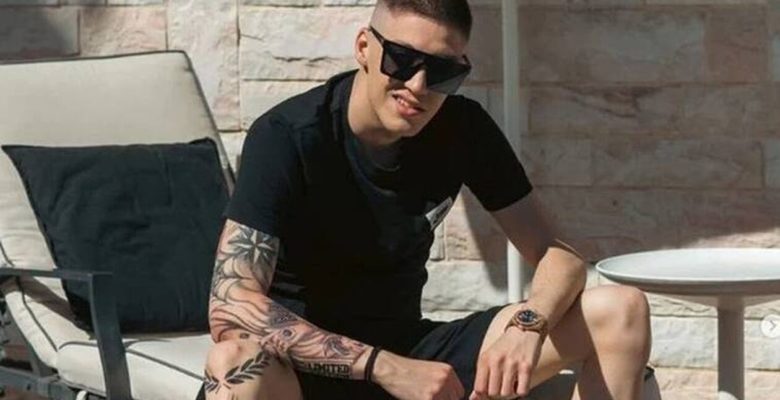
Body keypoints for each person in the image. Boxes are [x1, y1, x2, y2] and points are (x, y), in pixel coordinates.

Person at [199, 1, 652, 399]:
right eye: (401, 60)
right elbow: (230, 304)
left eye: (442, 72)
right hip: (306, 372)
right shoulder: (288, 136)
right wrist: (385, 368)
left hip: (411, 351)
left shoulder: (463, 128)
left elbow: (559, 255)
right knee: (233, 365)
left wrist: (528, 325)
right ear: (364, 48)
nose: (418, 86)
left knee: (621, 310)